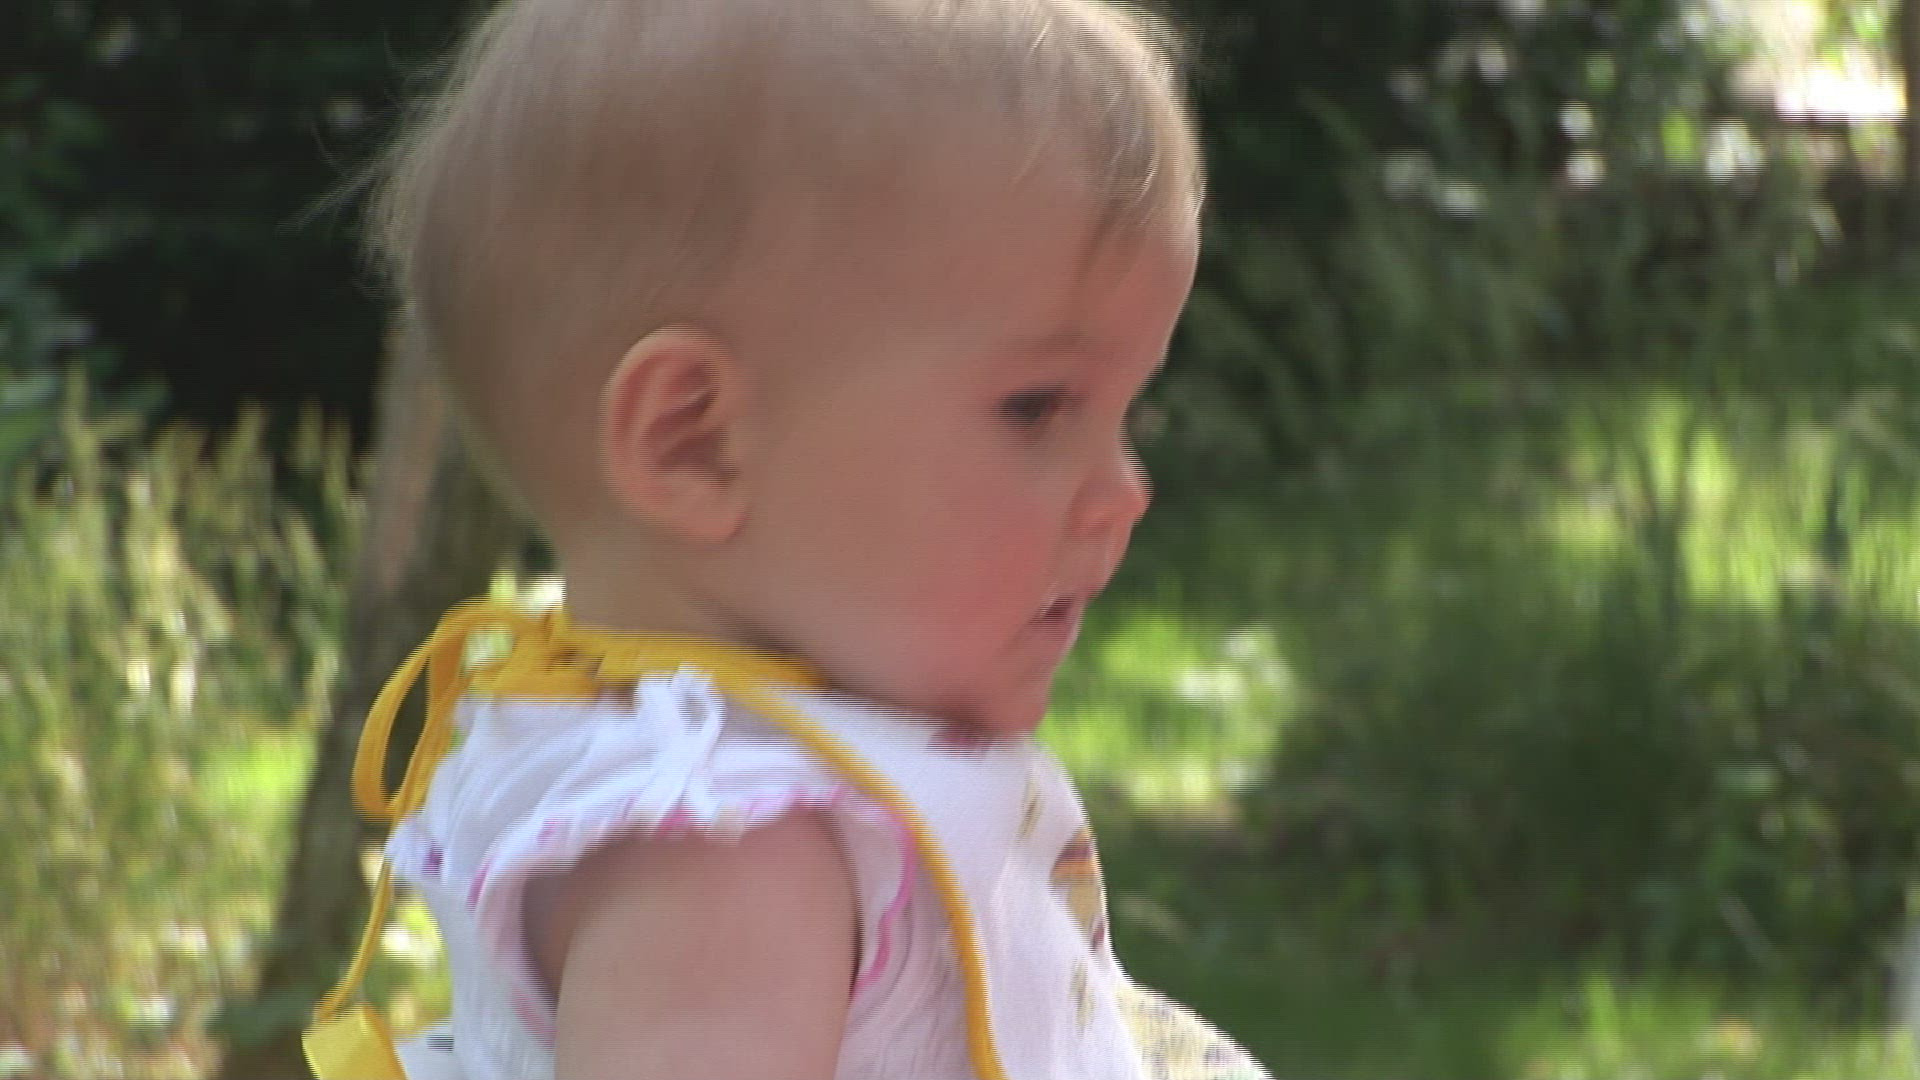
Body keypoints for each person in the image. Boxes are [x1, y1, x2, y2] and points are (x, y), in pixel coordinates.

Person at [302, 0, 1270, 1077]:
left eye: (1126, 411)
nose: (1123, 492)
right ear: (695, 442)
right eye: (1038, 406)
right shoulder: (729, 857)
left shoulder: (785, 782)